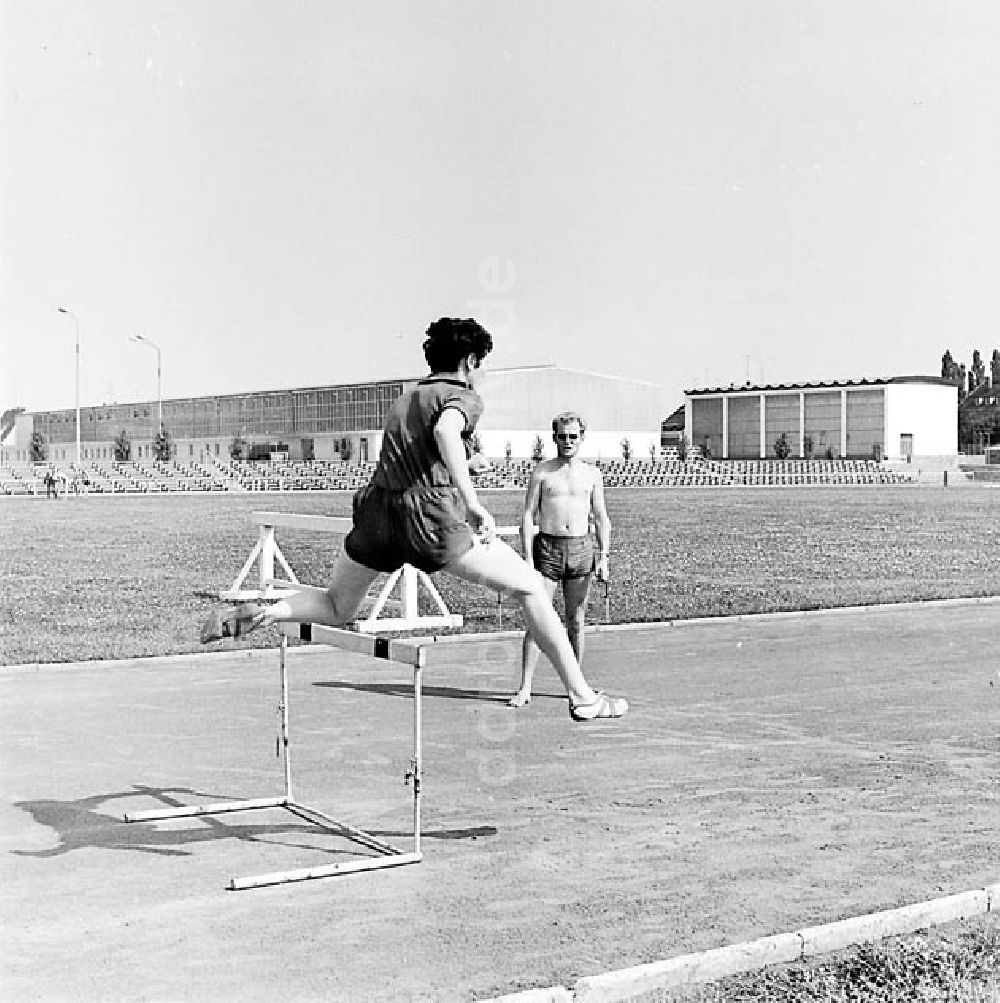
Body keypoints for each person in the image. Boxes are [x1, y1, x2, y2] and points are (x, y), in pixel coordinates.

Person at [200, 317, 627, 722]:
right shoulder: (461, 395)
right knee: (532, 587)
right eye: (480, 365)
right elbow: (444, 432)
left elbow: (425, 449)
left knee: (336, 606)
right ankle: (583, 697)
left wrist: (462, 464)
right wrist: (473, 501)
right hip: (429, 521)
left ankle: (263, 612)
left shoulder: (405, 399)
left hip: (377, 518)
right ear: (470, 362)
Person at [509, 412, 610, 707]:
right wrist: (528, 557)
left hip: (581, 551)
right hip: (548, 551)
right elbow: (528, 516)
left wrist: (604, 557)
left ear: (581, 438)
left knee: (575, 621)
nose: (568, 442)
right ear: (554, 438)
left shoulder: (592, 474)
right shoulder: (542, 473)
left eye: (573, 436)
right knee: (538, 621)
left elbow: (602, 518)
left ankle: (575, 686)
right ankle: (525, 687)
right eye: (562, 436)